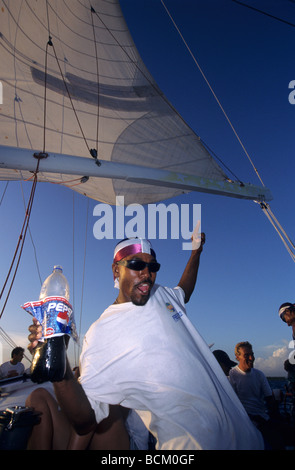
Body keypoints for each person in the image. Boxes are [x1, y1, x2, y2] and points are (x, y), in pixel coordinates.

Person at [28, 234, 264, 450]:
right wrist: (61, 372)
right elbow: (85, 420)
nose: (146, 273)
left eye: (152, 267)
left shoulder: (161, 294)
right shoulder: (101, 332)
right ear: (115, 271)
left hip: (249, 439)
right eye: (136, 265)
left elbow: (185, 290)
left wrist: (195, 253)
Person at [229, 341, 285, 449]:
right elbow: (232, 404)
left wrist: (275, 405)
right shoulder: (232, 375)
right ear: (237, 357)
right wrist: (252, 417)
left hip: (262, 418)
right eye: (246, 355)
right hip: (244, 420)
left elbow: (269, 399)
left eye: (252, 354)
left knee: (282, 436)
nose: (251, 358)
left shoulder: (259, 375)